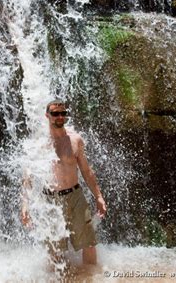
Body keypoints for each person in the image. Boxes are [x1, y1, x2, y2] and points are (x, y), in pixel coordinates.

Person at [21, 99, 107, 265]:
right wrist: (25, 204)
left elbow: (87, 172)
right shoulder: (38, 144)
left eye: (63, 113)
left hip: (75, 197)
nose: (60, 117)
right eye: (55, 113)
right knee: (55, 251)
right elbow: (28, 178)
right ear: (47, 115)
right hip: (50, 201)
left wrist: (98, 196)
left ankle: (90, 278)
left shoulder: (75, 140)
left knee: (89, 243)